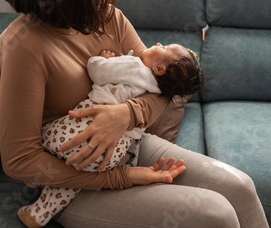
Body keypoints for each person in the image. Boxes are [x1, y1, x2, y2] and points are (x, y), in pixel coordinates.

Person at [0, 0, 269, 227]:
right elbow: (20, 161)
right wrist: (122, 177)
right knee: (215, 214)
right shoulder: (26, 47)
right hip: (71, 180)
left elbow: (161, 88)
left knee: (240, 187)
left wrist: (125, 115)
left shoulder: (106, 17)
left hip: (129, 143)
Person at [18, 45, 203, 227]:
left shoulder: (135, 67)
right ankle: (39, 213)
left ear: (159, 68)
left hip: (86, 125)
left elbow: (98, 71)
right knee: (78, 175)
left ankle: (36, 175)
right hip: (112, 152)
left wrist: (103, 59)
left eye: (165, 47)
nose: (158, 44)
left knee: (47, 134)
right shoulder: (159, 93)